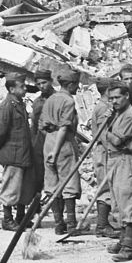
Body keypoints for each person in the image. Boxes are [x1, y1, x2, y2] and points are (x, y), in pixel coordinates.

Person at [103, 82, 132, 262]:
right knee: (117, 202)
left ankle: (129, 246)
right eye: (111, 98)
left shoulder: (130, 115)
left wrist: (106, 132)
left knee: (128, 201)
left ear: (126, 96)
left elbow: (117, 141)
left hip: (126, 159)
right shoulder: (117, 114)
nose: (114, 101)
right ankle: (122, 240)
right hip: (114, 159)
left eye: (117, 97)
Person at [39, 67, 82, 234]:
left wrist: (50, 141)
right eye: (76, 84)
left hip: (49, 141)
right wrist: (56, 151)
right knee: (69, 182)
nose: (77, 88)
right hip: (62, 144)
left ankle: (58, 223)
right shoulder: (68, 101)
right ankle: (71, 224)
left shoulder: (50, 99)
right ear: (70, 85)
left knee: (52, 183)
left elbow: (41, 125)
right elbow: (64, 127)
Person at [0, 74, 34, 230]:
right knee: (11, 186)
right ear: (11, 89)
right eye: (21, 86)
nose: (24, 89)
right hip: (13, 153)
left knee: (22, 186)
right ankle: (7, 219)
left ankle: (20, 217)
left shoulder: (19, 104)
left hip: (22, 152)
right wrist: (0, 148)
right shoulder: (7, 106)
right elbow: (0, 132)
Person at [91, 77, 119, 238]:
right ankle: (102, 225)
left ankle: (105, 223)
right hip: (105, 151)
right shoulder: (103, 109)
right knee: (105, 186)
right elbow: (103, 134)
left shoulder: (106, 106)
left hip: (106, 150)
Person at [29, 69, 53, 204]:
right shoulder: (37, 101)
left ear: (50, 81)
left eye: (44, 82)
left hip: (53, 140)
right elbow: (33, 123)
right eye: (39, 84)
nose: (42, 86)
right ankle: (36, 204)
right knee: (37, 174)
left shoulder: (57, 99)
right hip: (38, 142)